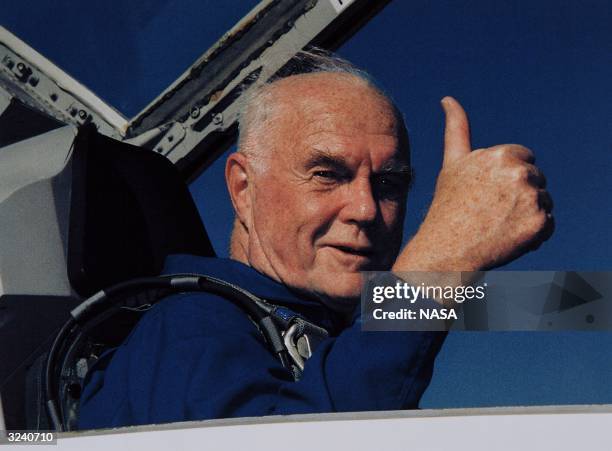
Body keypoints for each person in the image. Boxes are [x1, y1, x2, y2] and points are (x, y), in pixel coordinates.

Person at [78, 52, 553, 428]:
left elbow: (565, 304)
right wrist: (442, 261)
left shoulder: (330, 342)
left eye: (388, 184)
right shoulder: (190, 326)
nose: (366, 210)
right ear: (244, 189)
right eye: (327, 174)